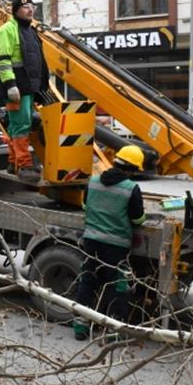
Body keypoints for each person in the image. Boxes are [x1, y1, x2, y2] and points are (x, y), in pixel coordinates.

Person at [72, 145, 147, 340]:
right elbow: (137, 219)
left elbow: (85, 206)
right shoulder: (131, 188)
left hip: (91, 241)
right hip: (116, 246)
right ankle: (114, 332)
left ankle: (80, 327)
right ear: (130, 169)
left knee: (87, 281)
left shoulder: (94, 181)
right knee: (117, 286)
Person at [0, 0, 49, 181]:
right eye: (25, 7)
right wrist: (10, 85)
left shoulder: (30, 31)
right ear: (16, 10)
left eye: (31, 6)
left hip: (29, 87)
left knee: (18, 125)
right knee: (21, 125)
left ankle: (13, 161)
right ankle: (24, 165)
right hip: (18, 87)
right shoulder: (7, 30)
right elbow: (2, 61)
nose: (30, 9)